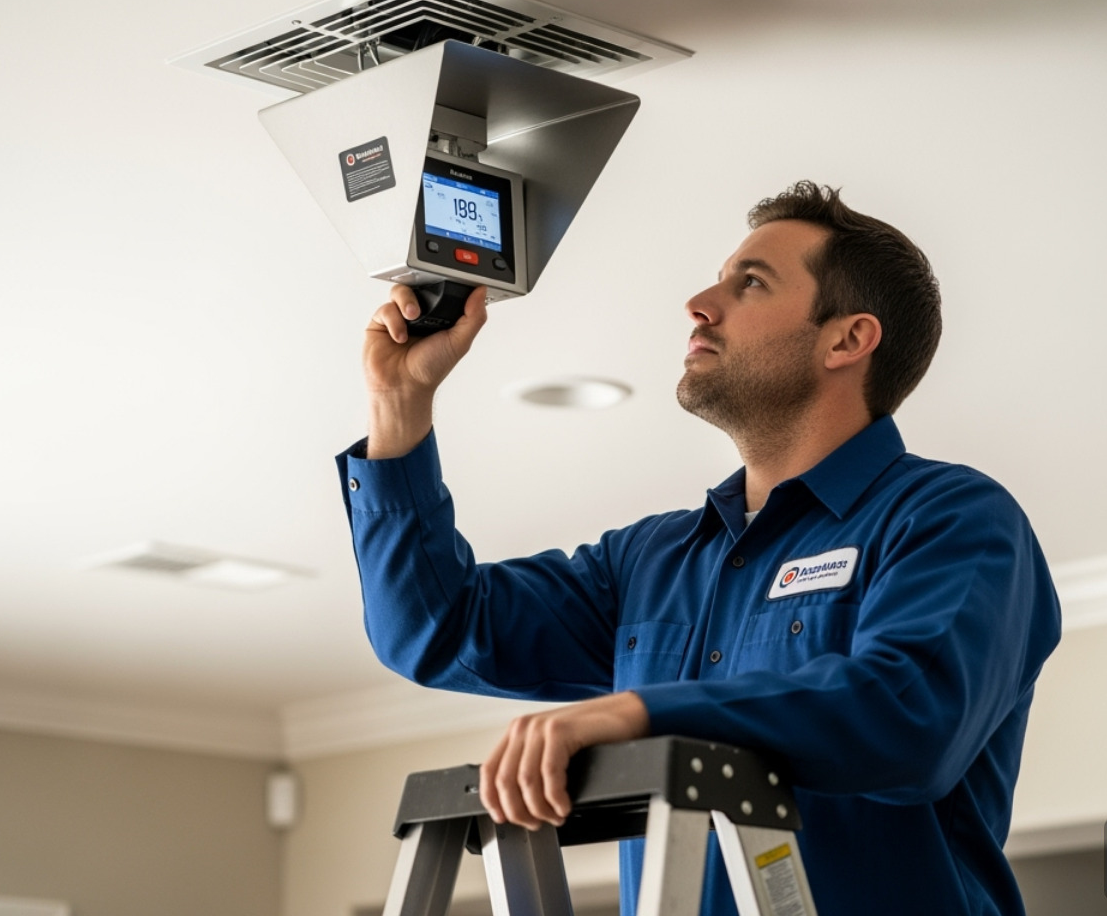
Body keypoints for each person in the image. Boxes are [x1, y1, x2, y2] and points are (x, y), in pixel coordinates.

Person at [337, 181, 1062, 916]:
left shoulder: (951, 519)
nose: (700, 303)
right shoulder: (652, 562)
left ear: (847, 339)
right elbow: (434, 631)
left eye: (749, 283)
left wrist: (637, 713)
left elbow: (908, 715)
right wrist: (399, 408)